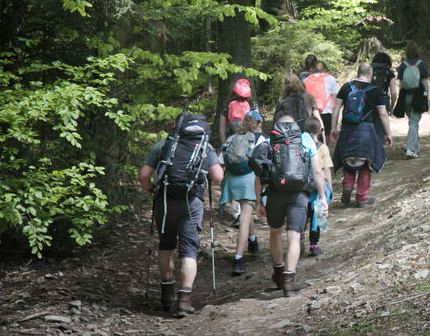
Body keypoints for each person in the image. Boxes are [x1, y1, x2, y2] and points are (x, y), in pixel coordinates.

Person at [139, 112, 224, 318]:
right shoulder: (205, 146)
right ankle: (184, 301)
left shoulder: (164, 144)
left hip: (165, 202)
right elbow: (218, 177)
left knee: (166, 244)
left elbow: (143, 176)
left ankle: (167, 295)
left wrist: (152, 190)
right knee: (189, 251)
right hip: (191, 203)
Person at [254, 113, 329, 297]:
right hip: (299, 194)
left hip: (274, 194)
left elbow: (259, 174)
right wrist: (322, 197)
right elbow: (318, 171)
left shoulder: (267, 140)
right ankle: (289, 282)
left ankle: (278, 273)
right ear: (294, 125)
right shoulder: (304, 139)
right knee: (294, 235)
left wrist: (258, 201)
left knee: (275, 232)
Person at [331, 63, 393, 207]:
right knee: (366, 164)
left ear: (358, 72)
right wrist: (388, 133)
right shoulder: (375, 90)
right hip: (367, 131)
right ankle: (362, 198)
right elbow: (383, 113)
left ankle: (347, 185)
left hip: (348, 129)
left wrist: (333, 128)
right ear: (370, 74)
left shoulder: (346, 87)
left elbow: (336, 108)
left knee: (348, 159)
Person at [219, 110, 262, 276]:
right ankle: (238, 259)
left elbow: (221, 161)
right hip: (249, 180)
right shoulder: (258, 138)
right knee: (245, 217)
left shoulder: (231, 138)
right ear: (258, 123)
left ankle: (253, 242)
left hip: (232, 181)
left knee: (246, 209)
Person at [302, 117, 333, 256]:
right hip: (318, 185)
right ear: (320, 130)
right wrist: (329, 189)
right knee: (316, 215)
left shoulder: (300, 145)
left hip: (303, 185)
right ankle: (313, 244)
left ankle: (299, 238)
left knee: (303, 213)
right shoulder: (322, 147)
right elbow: (326, 169)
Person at [393, 42, 430, 158]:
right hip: (418, 95)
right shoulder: (421, 64)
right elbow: (425, 82)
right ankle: (410, 148)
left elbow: (401, 84)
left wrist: (401, 99)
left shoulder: (403, 65)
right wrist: (428, 98)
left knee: (412, 121)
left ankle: (415, 147)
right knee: (414, 123)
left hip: (407, 96)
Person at [304, 61, 338, 144]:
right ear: (325, 68)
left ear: (313, 68)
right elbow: (334, 97)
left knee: (311, 135)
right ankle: (324, 151)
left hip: (311, 113)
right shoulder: (331, 79)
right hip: (326, 111)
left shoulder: (306, 79)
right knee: (326, 135)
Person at [218, 78, 257, 144]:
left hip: (231, 140)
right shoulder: (252, 105)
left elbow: (222, 130)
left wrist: (224, 145)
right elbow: (257, 126)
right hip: (248, 140)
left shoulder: (227, 105)